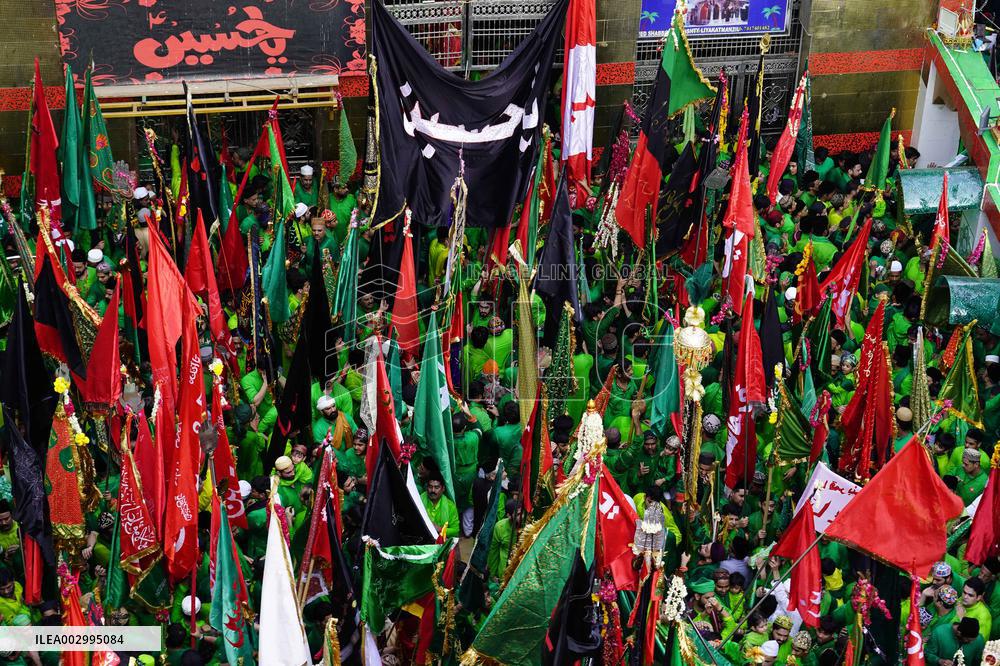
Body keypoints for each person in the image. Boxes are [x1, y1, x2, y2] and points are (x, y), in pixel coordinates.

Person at [420, 472, 459, 539]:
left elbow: (455, 531)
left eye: (436, 487)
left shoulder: (450, 506)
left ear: (443, 489)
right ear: (427, 488)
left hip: (441, 541)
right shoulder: (419, 501)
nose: (433, 490)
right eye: (430, 487)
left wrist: (440, 529)